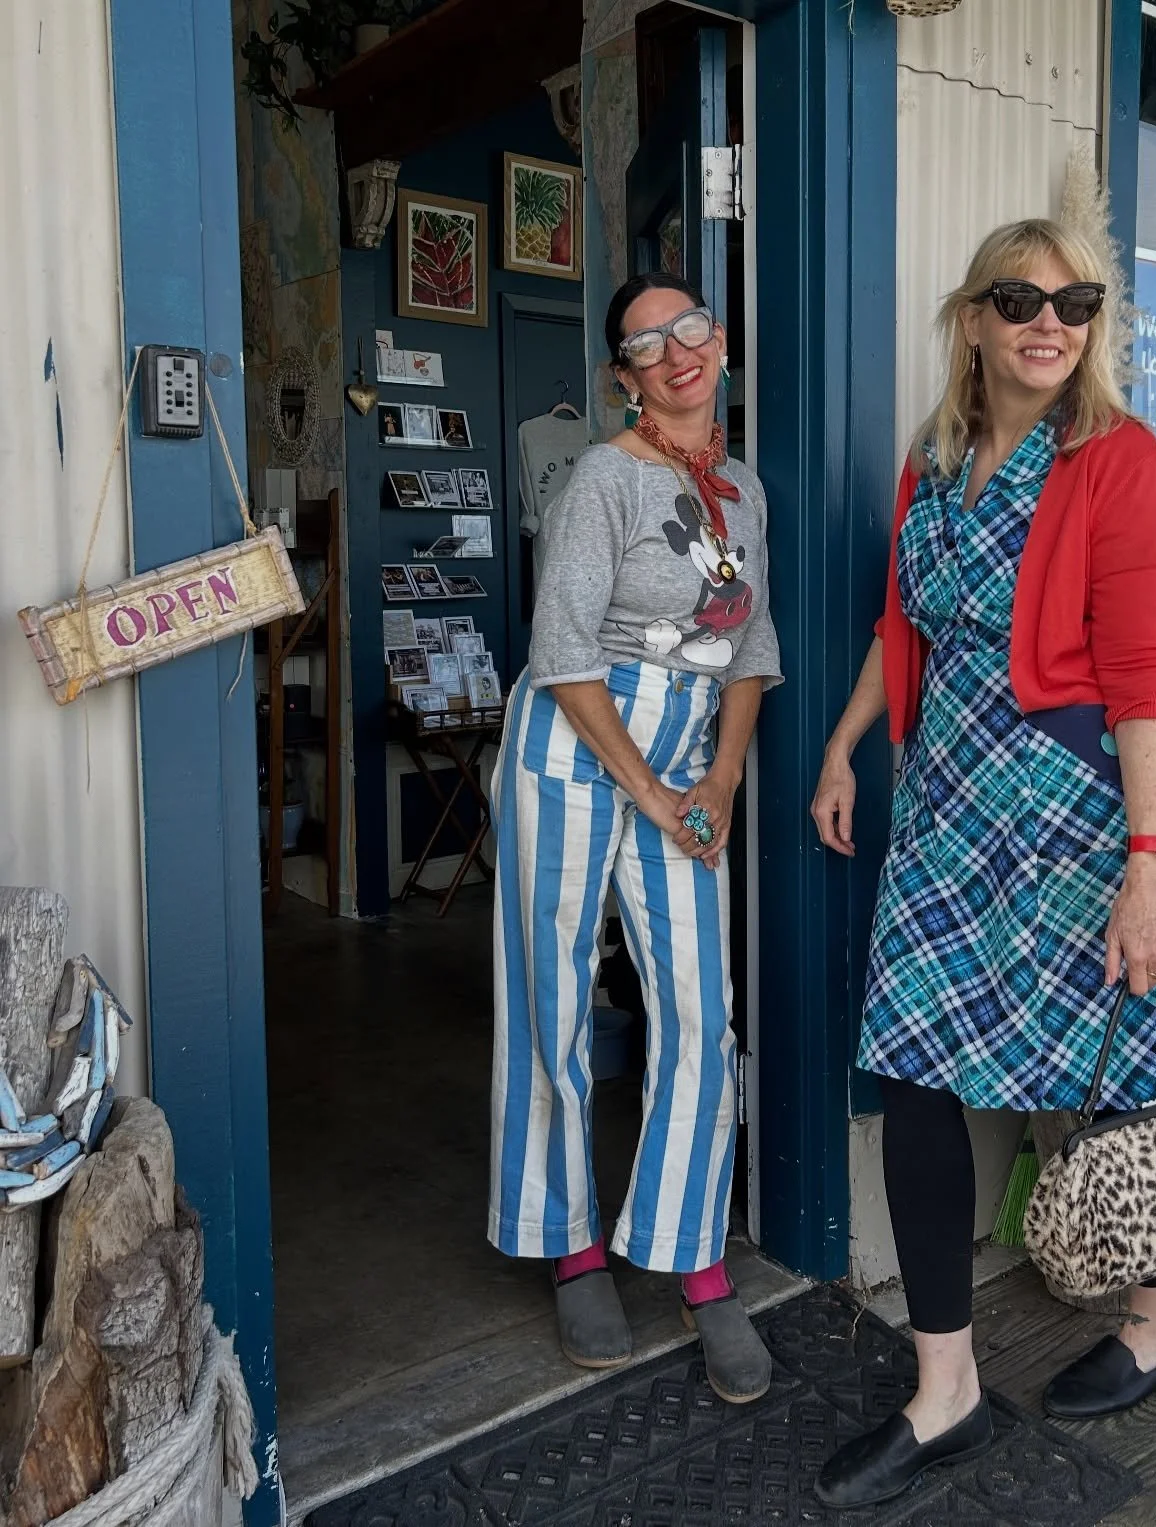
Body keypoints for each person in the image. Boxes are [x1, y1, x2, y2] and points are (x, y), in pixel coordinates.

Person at [809, 218, 1156, 1508]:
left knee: (1110, 1058)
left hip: (1077, 801)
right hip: (950, 804)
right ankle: (945, 1389)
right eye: (1021, 297)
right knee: (908, 1066)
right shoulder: (933, 458)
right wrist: (849, 745)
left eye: (1075, 301)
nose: (1048, 321)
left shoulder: (1116, 461)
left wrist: (1147, 861)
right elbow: (905, 622)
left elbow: (1145, 674)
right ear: (974, 318)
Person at [488, 271, 782, 1405]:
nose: (677, 352)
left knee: (703, 1012)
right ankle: (570, 1246)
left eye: (693, 329)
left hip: (688, 753)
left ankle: (695, 1261)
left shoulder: (743, 492)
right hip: (576, 743)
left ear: (718, 345)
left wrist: (719, 776)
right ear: (625, 377)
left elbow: (751, 649)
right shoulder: (602, 482)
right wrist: (654, 795)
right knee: (552, 998)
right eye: (648, 343)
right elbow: (562, 653)